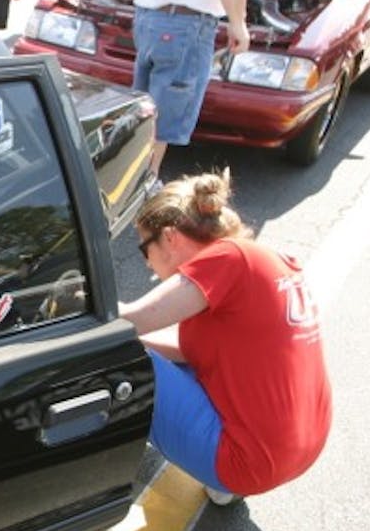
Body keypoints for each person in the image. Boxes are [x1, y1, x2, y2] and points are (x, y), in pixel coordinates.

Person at [118, 170, 332, 504]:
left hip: (248, 462)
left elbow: (132, 320)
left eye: (146, 249)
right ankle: (224, 477)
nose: (147, 265)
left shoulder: (225, 259)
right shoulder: (261, 260)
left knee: (119, 357)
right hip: (302, 448)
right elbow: (190, 352)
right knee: (139, 348)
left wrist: (69, 299)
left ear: (171, 238)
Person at [119, 0, 252, 178]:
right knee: (162, 120)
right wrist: (237, 22)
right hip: (186, 24)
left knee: (143, 113)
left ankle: (126, 185)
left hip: (147, 16)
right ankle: (142, 191)